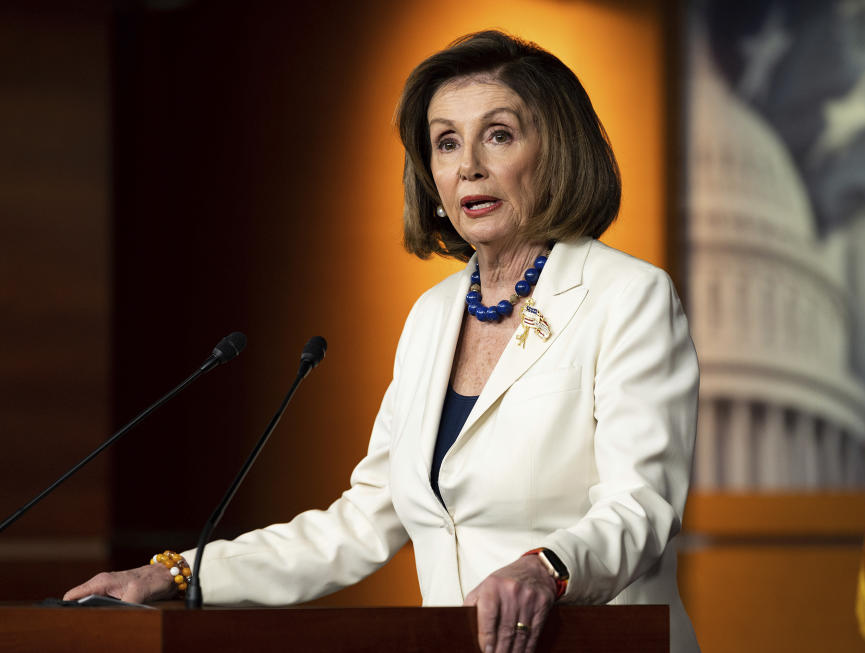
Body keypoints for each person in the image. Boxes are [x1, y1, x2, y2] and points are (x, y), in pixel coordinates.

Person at [65, 30, 701, 653]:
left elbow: (641, 504)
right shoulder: (433, 316)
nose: (469, 166)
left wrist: (546, 567)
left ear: (558, 151)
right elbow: (362, 522)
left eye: (498, 135)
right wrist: (177, 574)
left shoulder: (627, 295)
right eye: (446, 143)